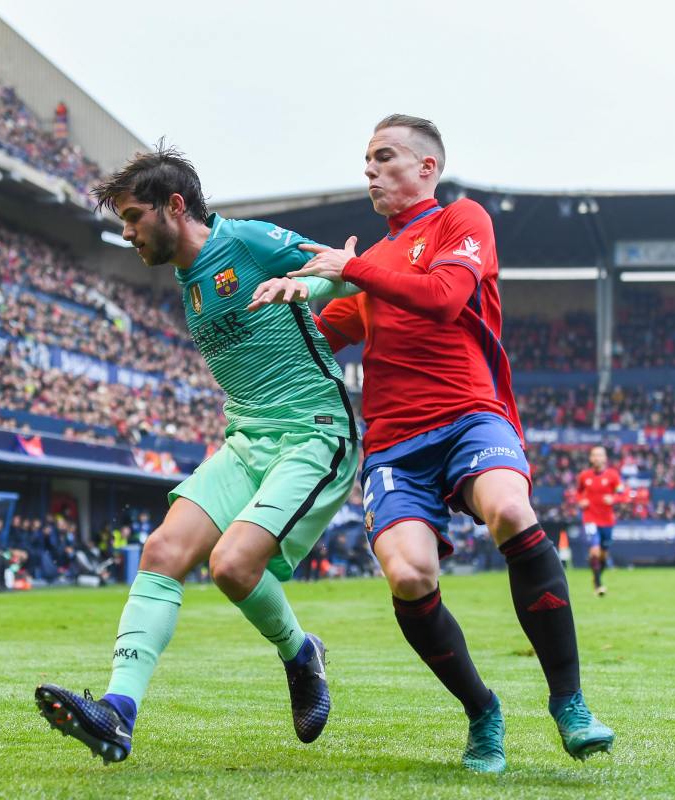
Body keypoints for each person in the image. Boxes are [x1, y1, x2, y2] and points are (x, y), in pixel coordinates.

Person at [249, 115, 613, 771]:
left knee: (510, 509)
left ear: (426, 168)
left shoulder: (460, 220)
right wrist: (276, 304)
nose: (370, 169)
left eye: (383, 156)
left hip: (472, 415)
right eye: (366, 159)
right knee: (410, 574)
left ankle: (569, 702)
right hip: (395, 444)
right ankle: (482, 711)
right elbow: (316, 345)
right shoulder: (368, 268)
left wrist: (352, 268)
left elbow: (446, 298)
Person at [36, 144, 359, 764]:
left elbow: (341, 267)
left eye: (134, 217)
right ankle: (118, 713)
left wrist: (304, 284)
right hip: (246, 440)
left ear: (175, 205)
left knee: (233, 567)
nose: (127, 232)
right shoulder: (187, 277)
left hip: (313, 433)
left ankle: (300, 655)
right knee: (162, 552)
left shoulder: (245, 240)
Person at [575, 447, 626, 596]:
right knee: (594, 550)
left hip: (607, 521)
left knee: (603, 554)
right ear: (591, 458)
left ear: (605, 458)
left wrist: (614, 498)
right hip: (590, 518)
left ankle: (596, 576)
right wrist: (581, 501)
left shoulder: (613, 475)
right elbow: (578, 492)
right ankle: (598, 585)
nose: (597, 458)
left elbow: (623, 494)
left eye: (600, 455)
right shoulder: (584, 476)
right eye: (594, 455)